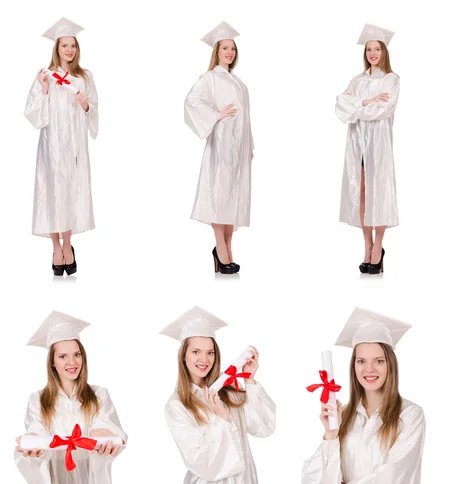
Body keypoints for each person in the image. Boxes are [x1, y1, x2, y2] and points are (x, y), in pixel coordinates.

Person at [302, 307, 425, 483]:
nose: (369, 369)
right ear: (354, 366)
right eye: (361, 361)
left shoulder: (410, 415)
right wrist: (331, 435)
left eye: (379, 361)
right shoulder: (344, 415)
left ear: (390, 365)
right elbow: (319, 478)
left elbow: (394, 475)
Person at [161, 306, 275, 483]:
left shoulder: (228, 388)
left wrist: (250, 381)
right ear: (184, 355)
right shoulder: (177, 405)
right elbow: (199, 462)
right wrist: (222, 418)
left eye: (210, 352)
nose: (204, 360)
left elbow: (263, 428)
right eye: (196, 352)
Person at [25, 18, 100, 276]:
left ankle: (68, 245)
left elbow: (94, 109)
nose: (69, 50)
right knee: (52, 193)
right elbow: (34, 115)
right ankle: (56, 248)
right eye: (65, 45)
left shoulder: (84, 77)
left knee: (70, 194)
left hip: (75, 147)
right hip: (51, 146)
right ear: (56, 48)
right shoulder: (46, 76)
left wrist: (85, 105)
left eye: (73, 45)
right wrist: (45, 91)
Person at [14, 311, 127, 483]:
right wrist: (35, 442)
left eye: (77, 354)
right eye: (62, 356)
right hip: (55, 476)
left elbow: (104, 422)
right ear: (52, 362)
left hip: (89, 476)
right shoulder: (38, 400)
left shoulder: (99, 395)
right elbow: (37, 430)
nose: (72, 362)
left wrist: (102, 433)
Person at [184, 22, 254, 274]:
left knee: (233, 195)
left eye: (233, 48)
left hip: (239, 147)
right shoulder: (210, 78)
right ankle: (220, 248)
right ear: (216, 50)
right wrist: (216, 114)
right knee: (218, 194)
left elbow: (246, 118)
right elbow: (191, 102)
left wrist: (250, 145)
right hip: (222, 144)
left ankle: (226, 248)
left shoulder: (239, 82)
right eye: (225, 47)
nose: (230, 52)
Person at [335, 24, 401, 274]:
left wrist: (358, 108)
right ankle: (367, 245)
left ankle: (379, 247)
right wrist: (365, 101)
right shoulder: (357, 80)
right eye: (369, 49)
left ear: (384, 52)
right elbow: (340, 104)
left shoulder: (391, 80)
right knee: (361, 192)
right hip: (357, 144)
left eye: (377, 49)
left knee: (378, 192)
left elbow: (383, 110)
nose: (373, 53)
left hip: (378, 144)